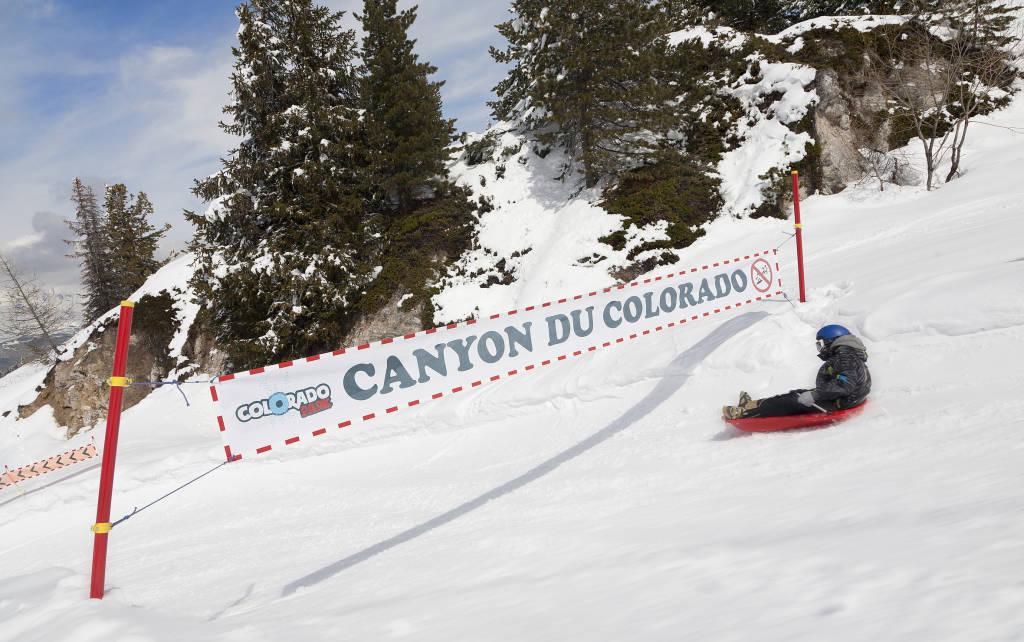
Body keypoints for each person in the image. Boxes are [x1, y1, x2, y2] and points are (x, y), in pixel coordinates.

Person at [723, 324, 870, 419]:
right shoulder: (847, 356)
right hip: (840, 399)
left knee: (790, 402)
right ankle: (752, 405)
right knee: (796, 394)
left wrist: (815, 394)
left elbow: (844, 386)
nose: (821, 348)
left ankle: (745, 414)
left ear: (832, 341)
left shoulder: (846, 358)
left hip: (838, 403)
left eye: (822, 344)